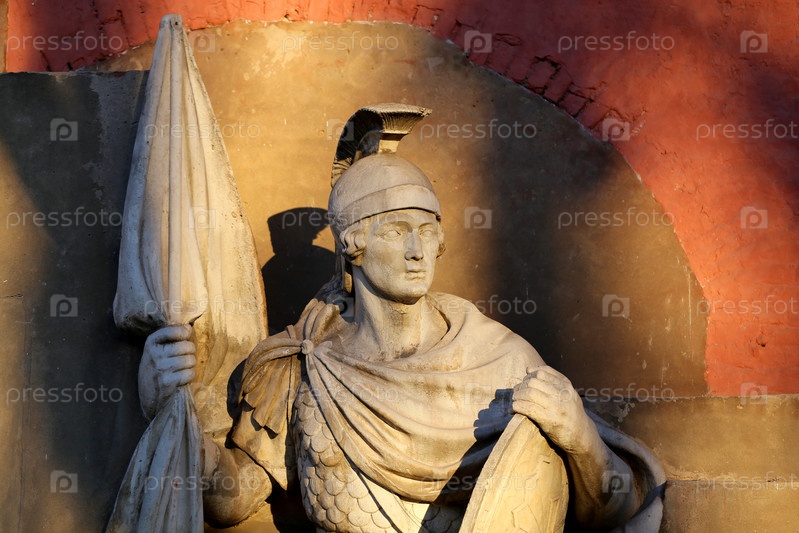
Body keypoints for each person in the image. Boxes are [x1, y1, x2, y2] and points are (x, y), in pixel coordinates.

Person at [137, 105, 656, 532]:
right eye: (394, 231)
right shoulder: (305, 369)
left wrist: (579, 438)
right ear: (353, 246)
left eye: (427, 232)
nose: (416, 251)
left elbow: (615, 506)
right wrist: (169, 407)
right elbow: (228, 500)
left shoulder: (500, 361)